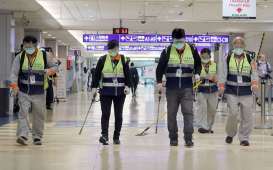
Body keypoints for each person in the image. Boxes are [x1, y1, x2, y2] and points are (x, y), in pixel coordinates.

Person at [156, 28, 202, 147]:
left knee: (188, 113)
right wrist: (159, 82)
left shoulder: (191, 49)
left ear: (184, 39)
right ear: (173, 40)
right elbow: (160, 67)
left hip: (187, 87)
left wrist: (197, 73)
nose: (179, 43)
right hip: (171, 88)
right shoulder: (167, 51)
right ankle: (173, 138)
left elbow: (198, 63)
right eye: (176, 41)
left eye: (181, 40)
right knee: (171, 114)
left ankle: (188, 138)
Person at [9, 35, 58, 146]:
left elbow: (56, 67)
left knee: (39, 115)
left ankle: (37, 136)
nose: (27, 49)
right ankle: (23, 135)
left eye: (30, 47)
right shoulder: (20, 57)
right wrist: (14, 87)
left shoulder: (45, 56)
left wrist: (48, 70)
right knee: (23, 113)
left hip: (39, 91)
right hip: (23, 90)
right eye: (25, 47)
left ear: (36, 45)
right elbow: (13, 73)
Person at [218, 37, 258, 146]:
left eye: (241, 44)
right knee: (233, 113)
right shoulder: (228, 57)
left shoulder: (250, 58)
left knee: (247, 115)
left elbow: (254, 72)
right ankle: (230, 134)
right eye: (236, 44)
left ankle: (244, 138)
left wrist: (254, 83)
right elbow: (222, 73)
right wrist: (221, 86)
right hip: (231, 90)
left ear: (244, 46)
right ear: (233, 45)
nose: (238, 46)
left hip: (246, 91)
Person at [91, 40, 131, 145]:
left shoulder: (123, 59)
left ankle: (116, 136)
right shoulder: (103, 59)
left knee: (119, 115)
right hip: (105, 92)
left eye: (115, 49)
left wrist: (128, 86)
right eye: (111, 49)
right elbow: (96, 75)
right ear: (108, 50)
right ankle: (104, 135)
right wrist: (94, 88)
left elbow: (128, 74)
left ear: (118, 48)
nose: (113, 51)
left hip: (120, 93)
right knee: (105, 114)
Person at [195, 48, 218, 134]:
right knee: (202, 108)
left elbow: (218, 76)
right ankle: (203, 126)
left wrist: (215, 78)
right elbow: (194, 77)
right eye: (203, 55)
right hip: (201, 89)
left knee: (212, 109)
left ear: (209, 55)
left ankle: (209, 126)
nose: (205, 57)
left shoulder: (214, 64)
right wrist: (201, 77)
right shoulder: (198, 65)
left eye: (206, 55)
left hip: (213, 89)